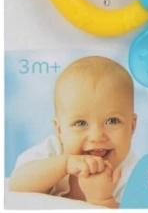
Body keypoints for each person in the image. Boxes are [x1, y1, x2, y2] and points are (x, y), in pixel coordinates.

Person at [9, 56, 137, 208]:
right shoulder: (53, 151)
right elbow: (16, 184)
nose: (97, 136)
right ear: (60, 130)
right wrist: (65, 164)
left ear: (132, 126)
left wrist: (101, 200)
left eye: (112, 121)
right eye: (80, 123)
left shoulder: (134, 174)